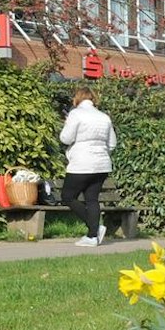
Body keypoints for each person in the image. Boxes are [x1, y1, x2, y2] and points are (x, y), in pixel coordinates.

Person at [60, 87, 118, 247]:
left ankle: (95, 229)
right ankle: (92, 236)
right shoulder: (104, 117)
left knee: (68, 196)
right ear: (93, 99)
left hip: (81, 162)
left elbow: (65, 138)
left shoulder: (76, 114)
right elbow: (112, 144)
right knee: (92, 199)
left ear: (77, 99)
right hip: (102, 164)